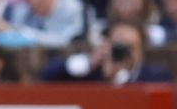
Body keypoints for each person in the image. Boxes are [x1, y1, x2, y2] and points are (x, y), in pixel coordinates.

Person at [40, 16, 172, 80]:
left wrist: (120, 76)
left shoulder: (155, 74)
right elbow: (47, 74)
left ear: (140, 49)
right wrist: (89, 63)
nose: (122, 52)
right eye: (118, 45)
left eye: (129, 47)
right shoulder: (95, 73)